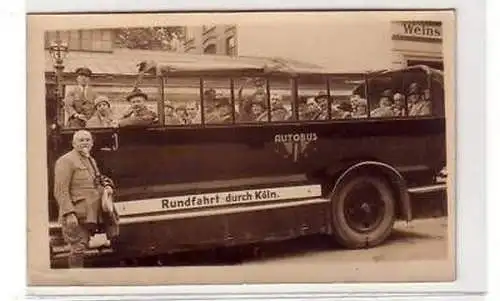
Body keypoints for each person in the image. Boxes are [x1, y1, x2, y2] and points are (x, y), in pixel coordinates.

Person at [53, 130, 119, 268]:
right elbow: (60, 190)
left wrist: (107, 186)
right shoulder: (66, 161)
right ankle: (76, 279)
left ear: (92, 143)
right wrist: (69, 213)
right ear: (73, 143)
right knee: (78, 248)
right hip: (77, 214)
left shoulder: (90, 159)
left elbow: (98, 179)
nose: (85, 143)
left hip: (91, 213)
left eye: (88, 140)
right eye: (81, 140)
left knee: (84, 247)